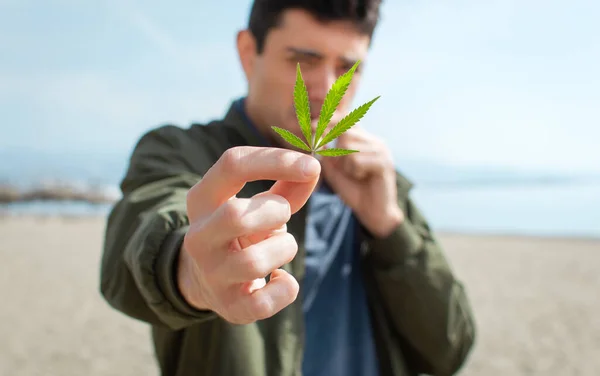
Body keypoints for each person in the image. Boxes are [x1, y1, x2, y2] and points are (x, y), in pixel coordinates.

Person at [100, 1, 476, 375]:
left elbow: (450, 348)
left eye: (347, 68)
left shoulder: (379, 183)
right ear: (249, 52)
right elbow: (133, 251)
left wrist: (391, 228)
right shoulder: (183, 154)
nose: (327, 89)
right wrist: (192, 274)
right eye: (304, 60)